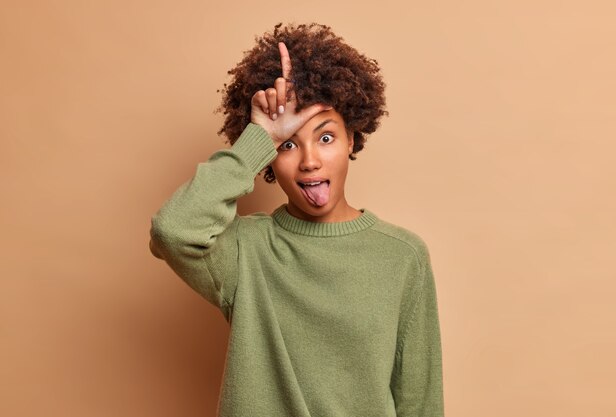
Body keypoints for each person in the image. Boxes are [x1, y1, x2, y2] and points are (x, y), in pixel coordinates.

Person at [149, 22, 444, 417]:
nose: (309, 161)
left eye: (326, 138)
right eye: (288, 144)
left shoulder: (402, 257)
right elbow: (173, 230)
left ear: (352, 139)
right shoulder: (246, 251)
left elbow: (420, 403)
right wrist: (260, 139)